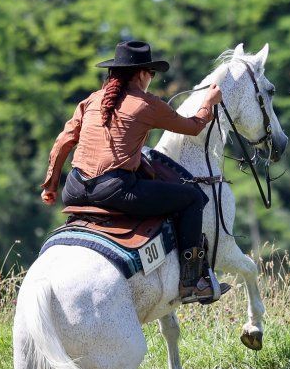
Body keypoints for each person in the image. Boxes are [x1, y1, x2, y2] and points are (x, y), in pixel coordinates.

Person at [39, 40, 229, 303]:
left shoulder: (91, 100)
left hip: (73, 189)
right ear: (141, 74)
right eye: (151, 73)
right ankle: (192, 282)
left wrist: (50, 185)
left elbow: (63, 142)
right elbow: (194, 126)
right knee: (192, 198)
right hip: (114, 190)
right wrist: (208, 102)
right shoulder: (146, 104)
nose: (151, 78)